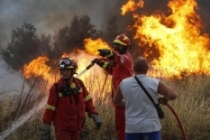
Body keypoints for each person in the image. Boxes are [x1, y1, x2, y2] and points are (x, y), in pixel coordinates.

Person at [113, 56, 178, 140]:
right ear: (147, 68)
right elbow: (173, 95)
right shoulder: (154, 83)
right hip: (151, 128)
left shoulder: (124, 83)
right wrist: (165, 99)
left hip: (132, 129)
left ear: (134, 68)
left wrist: (130, 104)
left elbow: (116, 101)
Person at [41, 57, 102, 140]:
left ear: (73, 70)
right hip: (63, 129)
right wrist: (46, 128)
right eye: (63, 70)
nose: (65, 72)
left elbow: (87, 100)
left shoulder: (79, 84)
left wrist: (94, 115)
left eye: (67, 70)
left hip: (77, 128)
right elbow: (50, 109)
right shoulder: (56, 88)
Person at [92, 34, 134, 140]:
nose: (116, 48)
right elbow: (112, 70)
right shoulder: (118, 60)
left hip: (125, 100)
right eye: (115, 45)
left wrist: (108, 53)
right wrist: (100, 63)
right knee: (119, 127)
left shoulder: (126, 58)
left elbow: (117, 57)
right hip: (119, 100)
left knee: (124, 128)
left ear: (125, 47)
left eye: (119, 46)